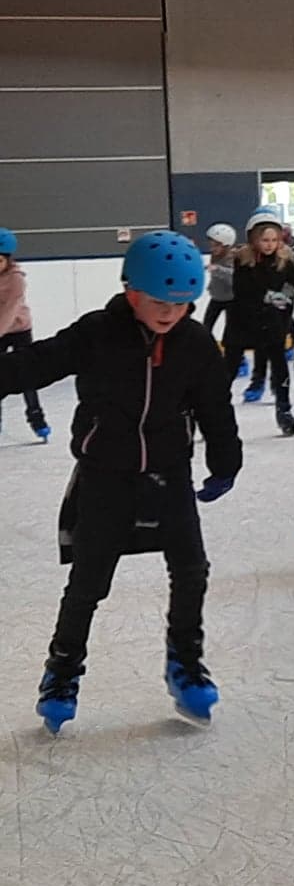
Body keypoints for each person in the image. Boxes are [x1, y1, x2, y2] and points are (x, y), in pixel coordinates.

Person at [1, 232, 239, 733]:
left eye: (182, 303)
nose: (171, 312)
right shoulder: (96, 333)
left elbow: (215, 406)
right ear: (131, 290)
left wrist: (225, 459)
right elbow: (36, 362)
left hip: (168, 471)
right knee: (89, 580)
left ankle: (186, 663)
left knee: (192, 568)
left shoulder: (195, 344)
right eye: (159, 300)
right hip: (104, 473)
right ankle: (62, 671)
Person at [224, 206, 294, 434]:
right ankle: (215, 412)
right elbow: (243, 291)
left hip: (270, 325)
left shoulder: (283, 261)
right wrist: (271, 297)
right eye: (265, 240)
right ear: (253, 239)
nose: (270, 244)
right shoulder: (242, 261)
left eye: (274, 239)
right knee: (227, 372)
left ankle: (284, 410)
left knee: (280, 367)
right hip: (241, 325)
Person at [0, 228, 51, 442]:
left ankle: (36, 418)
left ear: (8, 260)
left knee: (26, 375)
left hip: (19, 329)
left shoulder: (16, 279)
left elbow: (10, 309)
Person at [200, 222, 236, 337]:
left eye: (216, 245)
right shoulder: (215, 256)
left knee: (231, 329)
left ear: (225, 245)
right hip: (217, 297)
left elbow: (233, 276)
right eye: (211, 245)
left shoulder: (232, 257)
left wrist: (217, 269)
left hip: (231, 299)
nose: (212, 248)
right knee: (206, 326)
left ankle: (235, 353)